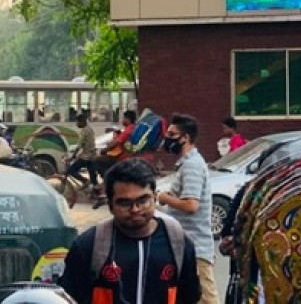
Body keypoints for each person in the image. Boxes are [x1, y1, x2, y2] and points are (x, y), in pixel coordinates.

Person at [58, 158, 201, 304]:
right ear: (110, 205)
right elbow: (69, 299)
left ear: (154, 197)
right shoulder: (88, 245)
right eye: (125, 202)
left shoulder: (178, 242)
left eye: (143, 200)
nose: (135, 209)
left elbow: (189, 297)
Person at [158, 114, 218, 304]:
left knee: (207, 299)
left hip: (196, 248)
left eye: (171, 134)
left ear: (184, 138)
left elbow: (192, 205)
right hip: (186, 246)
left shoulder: (191, 165)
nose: (167, 138)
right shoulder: (186, 164)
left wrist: (163, 197)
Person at [95, 110, 137, 181]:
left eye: (123, 118)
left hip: (123, 156)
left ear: (128, 119)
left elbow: (116, 142)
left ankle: (109, 181)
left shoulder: (129, 129)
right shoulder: (133, 128)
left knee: (96, 161)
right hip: (125, 154)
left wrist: (104, 150)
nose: (122, 120)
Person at [66, 113, 99, 190]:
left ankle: (85, 181)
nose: (77, 124)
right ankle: (96, 192)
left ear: (82, 121)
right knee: (93, 176)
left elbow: (80, 145)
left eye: (78, 122)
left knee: (71, 170)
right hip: (92, 155)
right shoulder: (90, 129)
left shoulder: (84, 131)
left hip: (86, 156)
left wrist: (73, 156)